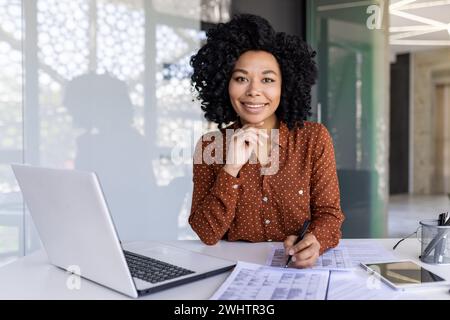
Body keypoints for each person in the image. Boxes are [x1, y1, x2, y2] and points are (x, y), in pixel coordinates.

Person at [188, 14, 344, 268]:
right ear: (225, 85)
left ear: (286, 85)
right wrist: (231, 168)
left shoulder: (313, 139)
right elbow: (207, 232)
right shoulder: (209, 146)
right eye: (241, 78)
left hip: (296, 272)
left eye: (268, 79)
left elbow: (329, 214)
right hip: (234, 273)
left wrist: (315, 241)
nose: (253, 91)